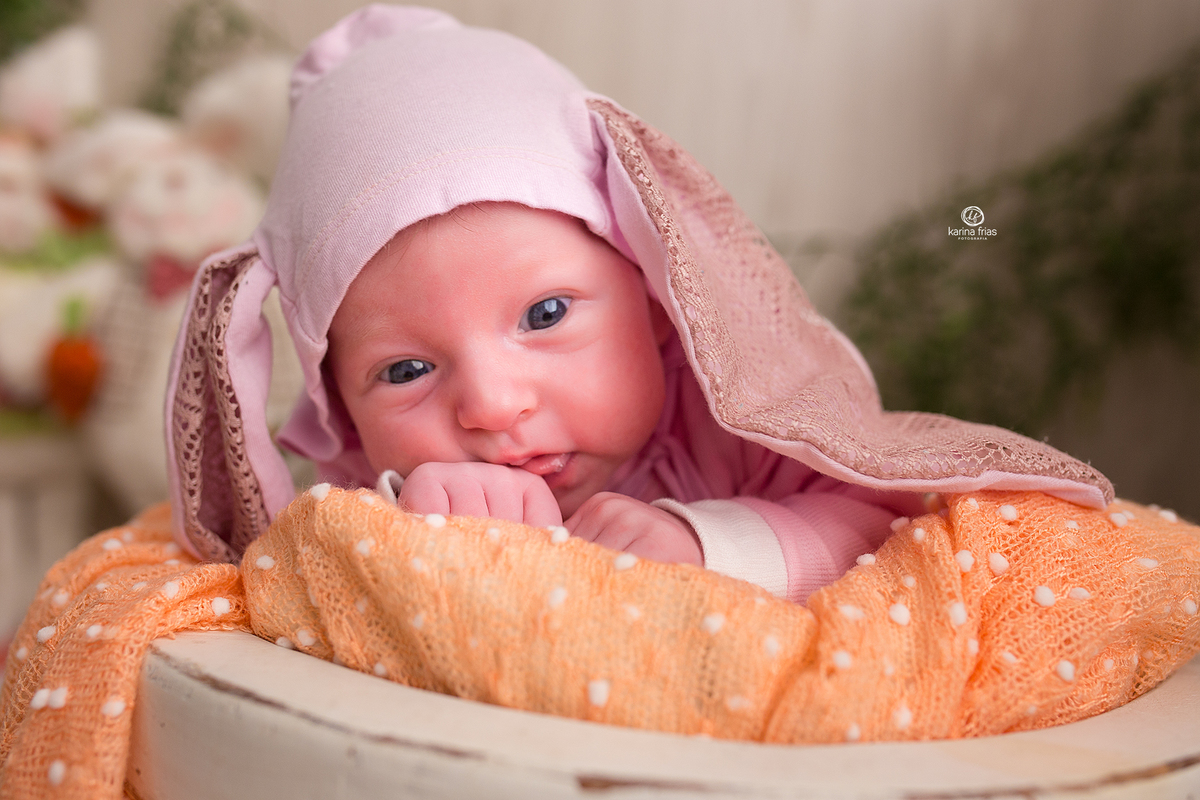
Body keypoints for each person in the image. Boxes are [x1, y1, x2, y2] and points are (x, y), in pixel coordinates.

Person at [164, 5, 1113, 603]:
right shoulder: (380, 492)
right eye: (404, 371)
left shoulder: (739, 424)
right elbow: (309, 587)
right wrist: (406, 534)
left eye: (544, 316)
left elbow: (878, 522)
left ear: (656, 298)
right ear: (339, 406)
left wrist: (708, 543)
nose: (493, 407)